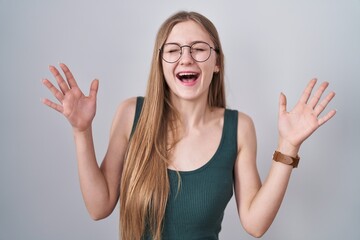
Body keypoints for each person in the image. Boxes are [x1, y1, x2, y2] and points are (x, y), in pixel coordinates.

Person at [42, 11, 336, 240]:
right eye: (173, 50)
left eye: (198, 49)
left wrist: (289, 145)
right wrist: (81, 131)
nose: (186, 58)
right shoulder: (131, 114)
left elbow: (255, 224)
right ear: (160, 63)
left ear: (217, 62)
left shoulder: (239, 128)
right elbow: (99, 206)